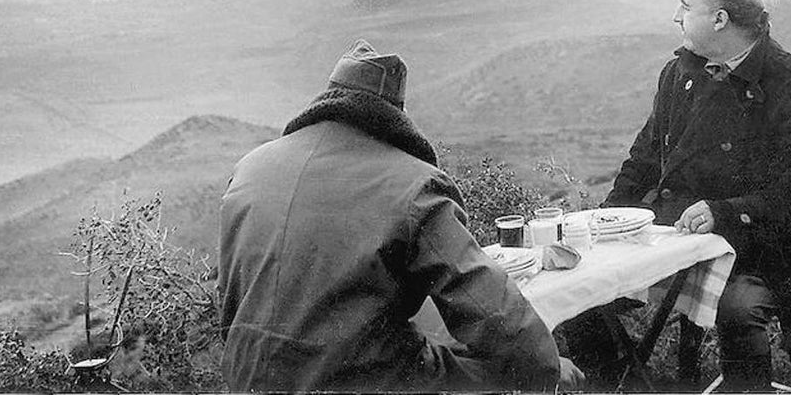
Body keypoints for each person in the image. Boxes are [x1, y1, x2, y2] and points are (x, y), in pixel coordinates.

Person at [218, 39, 583, 392]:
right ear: (396, 115)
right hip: (360, 378)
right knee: (497, 373)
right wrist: (547, 368)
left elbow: (231, 298)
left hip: (247, 374)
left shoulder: (250, 169)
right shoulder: (414, 185)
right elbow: (489, 310)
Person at [603, 0, 791, 393]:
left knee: (738, 310)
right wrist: (605, 223)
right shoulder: (678, 75)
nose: (677, 17)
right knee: (588, 296)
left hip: (766, 255)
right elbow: (643, 162)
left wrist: (725, 212)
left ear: (720, 19)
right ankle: (623, 385)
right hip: (678, 242)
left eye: (686, 7)